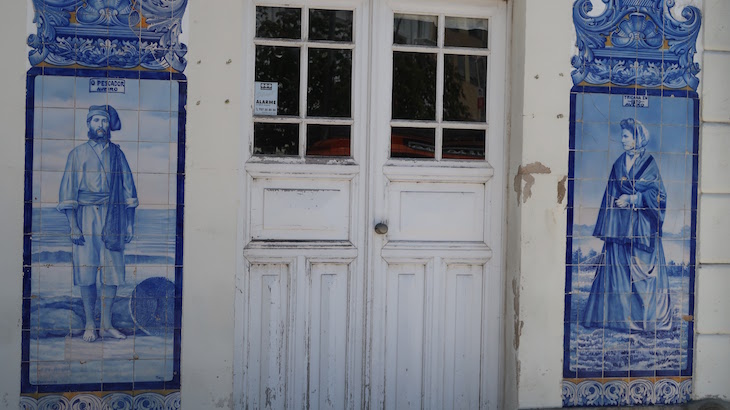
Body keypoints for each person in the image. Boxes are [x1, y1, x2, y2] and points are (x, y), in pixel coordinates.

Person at [582, 118, 672, 332]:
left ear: (637, 138)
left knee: (642, 275)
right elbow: (610, 195)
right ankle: (616, 320)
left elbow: (660, 196)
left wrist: (633, 199)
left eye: (625, 135)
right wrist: (611, 225)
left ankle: (645, 320)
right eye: (622, 135)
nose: (622, 139)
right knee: (617, 274)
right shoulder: (618, 164)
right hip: (619, 229)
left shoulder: (650, 165)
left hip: (642, 230)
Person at [57, 105, 138, 342]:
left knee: (112, 273)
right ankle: (90, 325)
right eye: (96, 121)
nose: (101, 125)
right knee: (86, 272)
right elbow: (68, 191)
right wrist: (73, 226)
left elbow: (128, 191)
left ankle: (106, 324)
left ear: (108, 125)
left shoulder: (117, 154)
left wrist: (130, 225)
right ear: (89, 124)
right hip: (86, 217)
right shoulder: (78, 154)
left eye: (104, 121)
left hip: (114, 217)